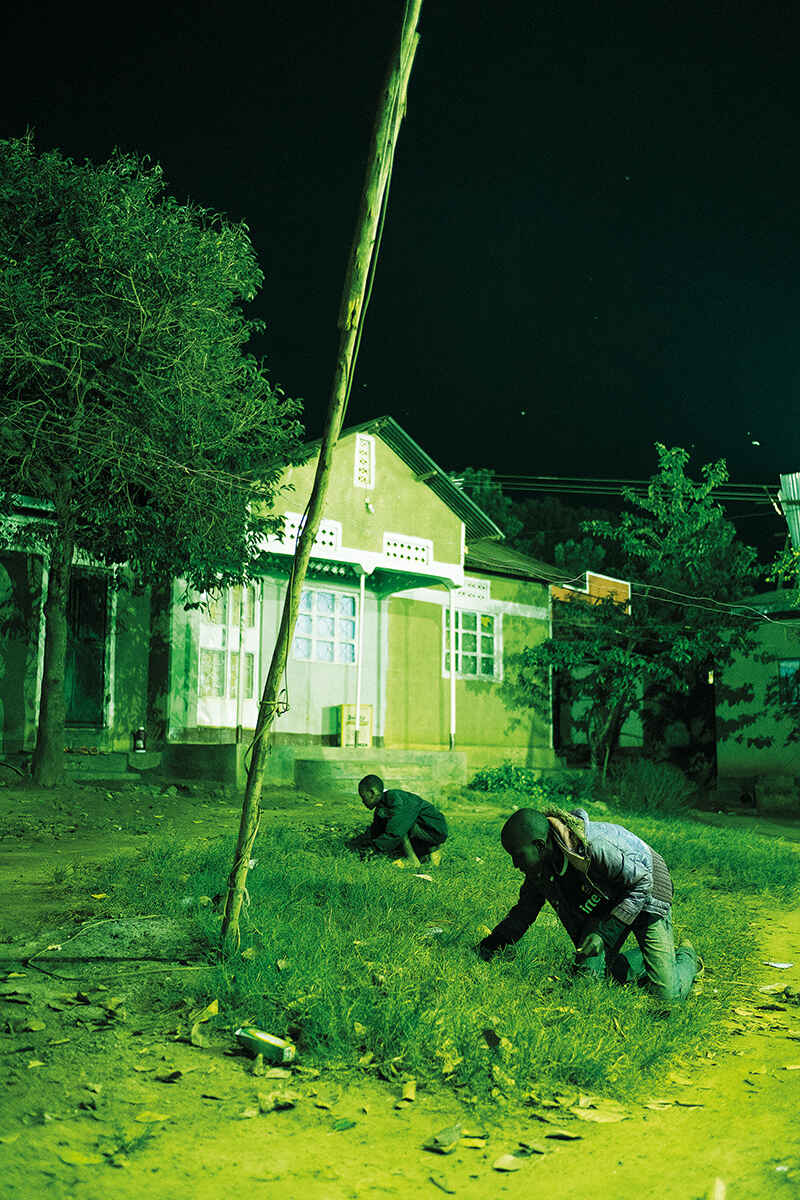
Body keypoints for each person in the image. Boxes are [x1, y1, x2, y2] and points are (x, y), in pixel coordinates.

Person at [477, 806, 699, 1006]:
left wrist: (603, 934)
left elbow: (641, 882)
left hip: (647, 889)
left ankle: (686, 955)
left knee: (667, 999)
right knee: (587, 981)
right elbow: (523, 913)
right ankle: (652, 958)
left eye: (517, 856)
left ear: (539, 845)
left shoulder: (594, 847)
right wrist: (486, 947)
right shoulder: (541, 869)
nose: (515, 864)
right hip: (607, 900)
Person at [358, 774, 447, 868]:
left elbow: (397, 829)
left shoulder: (394, 797)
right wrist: (371, 845)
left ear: (372, 793)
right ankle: (427, 852)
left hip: (434, 829)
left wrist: (375, 847)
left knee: (398, 825)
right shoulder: (380, 808)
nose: (363, 801)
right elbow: (377, 830)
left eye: (363, 796)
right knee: (393, 823)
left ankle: (412, 860)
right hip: (423, 829)